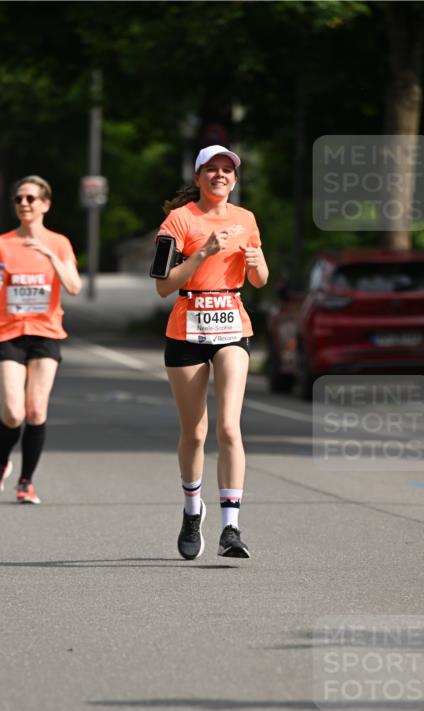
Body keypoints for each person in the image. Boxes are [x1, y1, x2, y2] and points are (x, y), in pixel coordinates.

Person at [154, 145, 269, 559]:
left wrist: (255, 262)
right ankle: (192, 511)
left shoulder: (246, 219)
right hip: (186, 328)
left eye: (227, 170)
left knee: (229, 428)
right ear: (198, 176)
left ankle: (230, 528)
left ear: (234, 180)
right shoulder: (178, 220)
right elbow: (163, 286)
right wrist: (203, 251)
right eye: (212, 169)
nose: (220, 175)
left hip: (232, 325)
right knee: (195, 433)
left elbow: (259, 279)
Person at [0, 175, 81, 504]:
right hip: (7, 333)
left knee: (35, 411)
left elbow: (74, 287)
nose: (23, 203)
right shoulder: (1, 243)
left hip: (45, 333)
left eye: (31, 198)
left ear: (45, 204)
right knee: (13, 413)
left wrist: (50, 256)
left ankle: (26, 482)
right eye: (19, 198)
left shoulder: (59, 243)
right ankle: (1, 463)